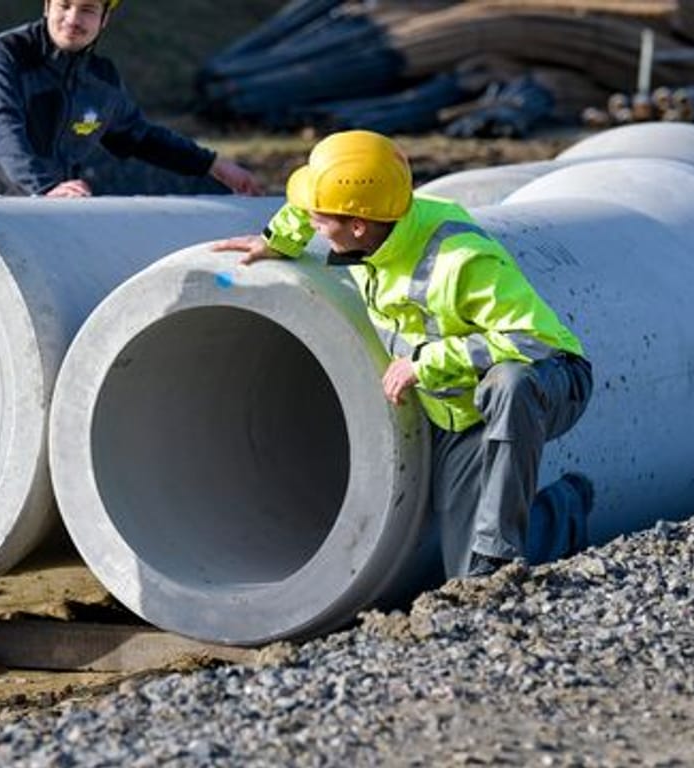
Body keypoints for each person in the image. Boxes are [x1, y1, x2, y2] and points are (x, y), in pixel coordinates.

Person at [213, 130, 594, 581]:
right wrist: (277, 241)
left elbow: (535, 340)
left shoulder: (460, 261)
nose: (311, 221)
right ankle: (564, 510)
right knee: (464, 573)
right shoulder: (372, 213)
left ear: (357, 226)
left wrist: (423, 364)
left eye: (319, 218)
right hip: (458, 409)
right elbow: (311, 205)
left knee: (510, 384)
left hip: (548, 381)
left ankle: (501, 550)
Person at [0, 0, 263, 197]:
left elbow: (142, 137)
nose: (73, 19)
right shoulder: (4, 55)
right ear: (46, 6)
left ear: (104, 19)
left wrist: (214, 165)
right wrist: (43, 188)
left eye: (87, 9)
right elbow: (0, 130)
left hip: (47, 216)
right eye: (64, 5)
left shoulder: (102, 80)